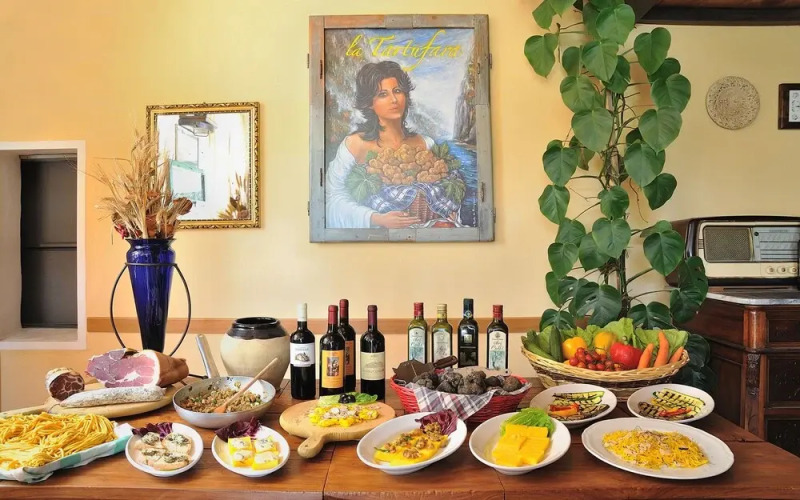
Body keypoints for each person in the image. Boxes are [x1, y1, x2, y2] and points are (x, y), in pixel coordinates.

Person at [326, 60, 436, 229]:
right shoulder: (354, 145)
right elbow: (332, 198)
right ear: (370, 103)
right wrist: (375, 218)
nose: (394, 100)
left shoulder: (425, 143)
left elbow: (440, 193)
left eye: (397, 91)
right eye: (383, 94)